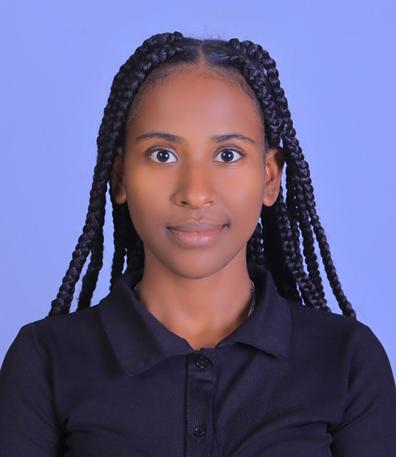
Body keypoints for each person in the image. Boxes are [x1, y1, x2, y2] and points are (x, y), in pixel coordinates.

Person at [0, 31, 395, 456]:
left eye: (228, 154)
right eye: (162, 154)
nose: (195, 193)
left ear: (269, 177)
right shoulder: (45, 359)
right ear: (120, 176)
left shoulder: (347, 358)